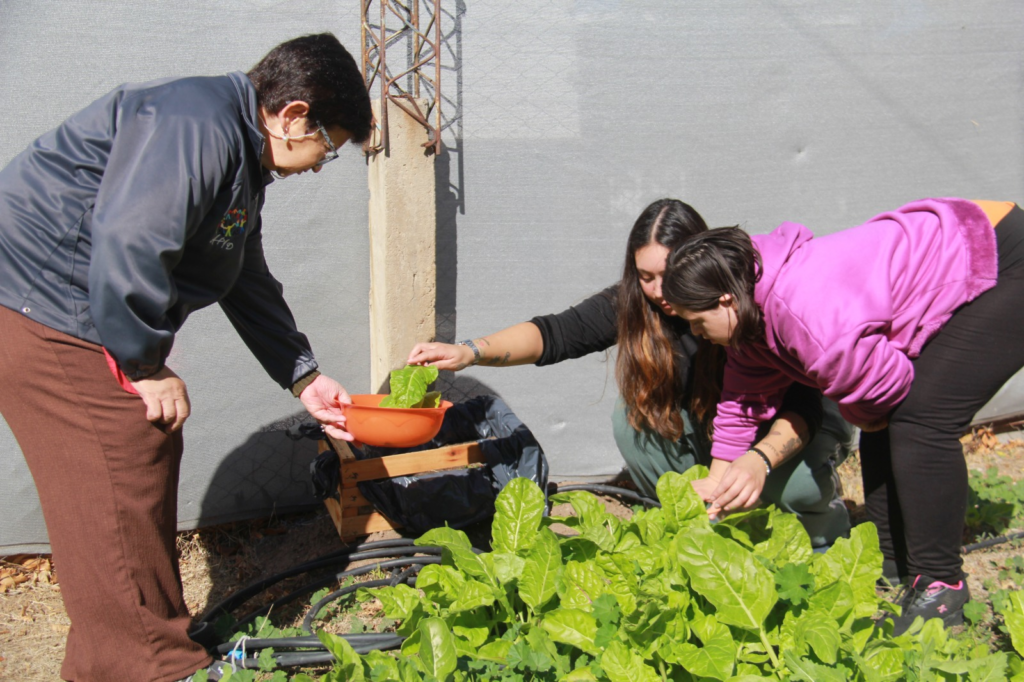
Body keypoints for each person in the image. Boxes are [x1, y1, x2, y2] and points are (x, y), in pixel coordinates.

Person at [0, 34, 371, 682]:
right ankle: (147, 663)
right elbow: (130, 235)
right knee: (123, 445)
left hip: (61, 312)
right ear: (293, 117)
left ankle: (138, 643)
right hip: (42, 309)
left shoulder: (234, 152)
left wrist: (303, 375)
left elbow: (243, 274)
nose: (319, 165)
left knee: (142, 451)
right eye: (328, 147)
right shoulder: (196, 126)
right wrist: (143, 364)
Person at [660, 198, 1024, 634]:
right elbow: (741, 401)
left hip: (1000, 254)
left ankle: (940, 587)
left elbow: (885, 387)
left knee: (919, 418)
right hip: (956, 246)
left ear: (725, 302)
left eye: (697, 323)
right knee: (893, 419)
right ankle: (891, 565)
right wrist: (719, 484)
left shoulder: (805, 310)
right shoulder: (748, 311)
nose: (698, 336)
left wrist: (863, 412)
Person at [407, 198, 853, 547]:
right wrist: (468, 352)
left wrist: (757, 462)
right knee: (631, 423)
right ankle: (700, 526)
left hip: (783, 424)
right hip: (717, 432)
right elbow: (556, 333)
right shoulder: (636, 303)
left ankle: (821, 540)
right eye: (645, 276)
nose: (659, 291)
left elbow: (804, 404)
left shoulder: (742, 305)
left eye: (669, 273)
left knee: (797, 489)